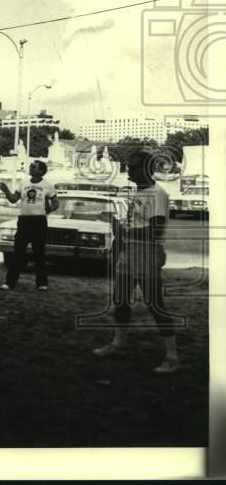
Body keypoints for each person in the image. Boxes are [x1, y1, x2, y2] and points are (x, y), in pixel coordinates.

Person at [92, 149, 179, 374]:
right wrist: (119, 237)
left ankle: (172, 357)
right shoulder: (139, 193)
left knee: (154, 303)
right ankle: (119, 343)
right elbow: (134, 226)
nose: (129, 170)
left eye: (134, 166)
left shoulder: (156, 194)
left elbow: (155, 231)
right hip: (130, 252)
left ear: (147, 169)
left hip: (146, 253)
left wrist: (123, 231)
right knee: (120, 299)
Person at [0, 159, 58, 291]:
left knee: (39, 253)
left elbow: (56, 202)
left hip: (39, 222)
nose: (30, 168)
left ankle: (42, 283)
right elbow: (13, 199)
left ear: (41, 171)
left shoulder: (47, 185)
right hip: (24, 221)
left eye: (33, 167)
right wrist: (6, 191)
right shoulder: (23, 183)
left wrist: (49, 209)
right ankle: (9, 283)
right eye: (31, 166)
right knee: (18, 253)